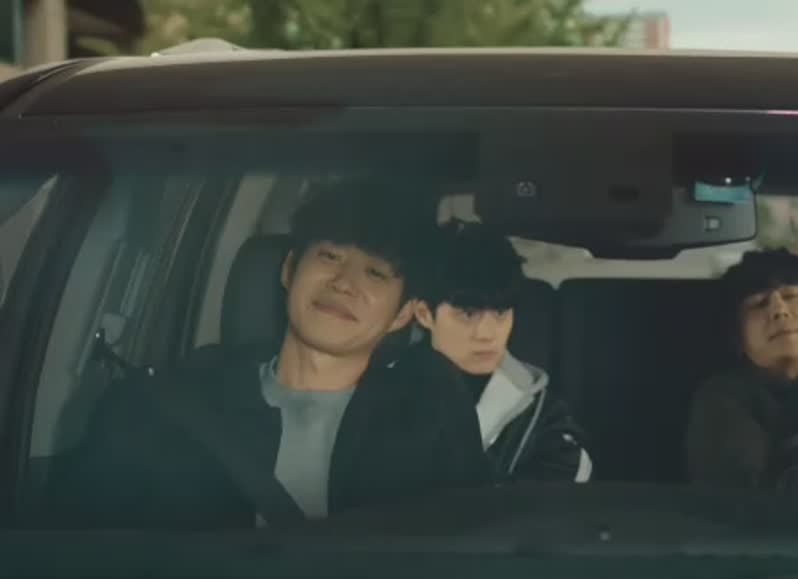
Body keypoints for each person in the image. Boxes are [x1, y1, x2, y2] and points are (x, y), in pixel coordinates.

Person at [49, 179, 492, 529]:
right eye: (330, 256)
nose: (344, 283)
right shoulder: (172, 403)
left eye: (375, 273)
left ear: (403, 315)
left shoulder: (429, 416)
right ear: (289, 270)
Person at [408, 223, 592, 483]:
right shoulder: (380, 391)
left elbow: (566, 492)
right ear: (424, 314)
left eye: (501, 313)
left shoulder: (541, 411)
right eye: (468, 314)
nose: (487, 334)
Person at [685, 249, 798, 490]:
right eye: (759, 303)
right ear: (738, 338)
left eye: (791, 295)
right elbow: (743, 497)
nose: (779, 310)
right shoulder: (723, 399)